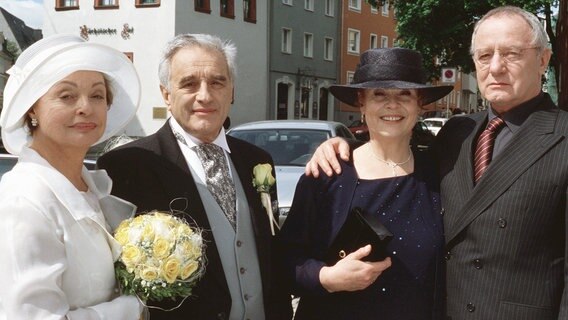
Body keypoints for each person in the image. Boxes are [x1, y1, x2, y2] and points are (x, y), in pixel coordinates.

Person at [306, 6, 568, 320]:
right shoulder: (458, 134)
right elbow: (396, 149)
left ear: (543, 60)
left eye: (512, 53)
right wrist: (346, 145)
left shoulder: (562, 137)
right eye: (484, 56)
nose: (496, 67)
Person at [97, 33, 293, 320]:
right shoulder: (127, 166)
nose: (205, 95)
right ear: (166, 93)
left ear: (232, 90)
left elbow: (271, 254)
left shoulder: (257, 160)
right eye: (189, 83)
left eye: (217, 82)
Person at [278, 47, 453, 320]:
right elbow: (283, 260)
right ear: (361, 102)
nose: (392, 105)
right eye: (379, 94)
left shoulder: (439, 174)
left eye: (404, 94)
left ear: (420, 103)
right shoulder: (328, 173)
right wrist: (326, 277)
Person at [0, 34, 143, 319]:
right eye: (66, 96)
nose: (85, 107)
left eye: (97, 95)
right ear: (33, 109)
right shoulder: (24, 200)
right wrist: (132, 309)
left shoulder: (89, 187)